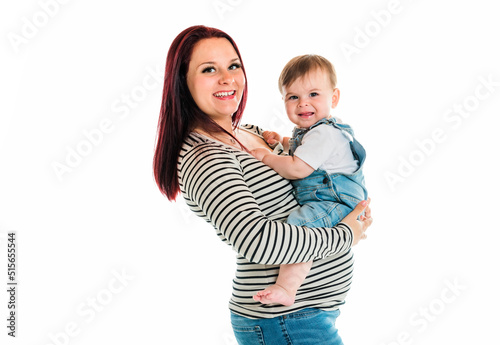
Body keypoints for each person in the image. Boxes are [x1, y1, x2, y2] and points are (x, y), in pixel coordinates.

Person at [153, 25, 372, 345]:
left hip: (307, 315)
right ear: (182, 83)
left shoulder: (250, 133)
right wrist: (347, 234)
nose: (227, 78)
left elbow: (309, 168)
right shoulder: (205, 156)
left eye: (233, 66)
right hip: (285, 322)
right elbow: (259, 242)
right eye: (209, 69)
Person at [250, 55, 368, 307]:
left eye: (313, 94)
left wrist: (268, 157)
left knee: (300, 228)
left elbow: (298, 168)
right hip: (335, 199)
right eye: (293, 97)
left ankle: (286, 286)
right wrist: (282, 141)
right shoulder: (316, 132)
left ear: (333, 98)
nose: (303, 103)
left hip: (335, 201)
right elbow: (303, 149)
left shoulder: (324, 133)